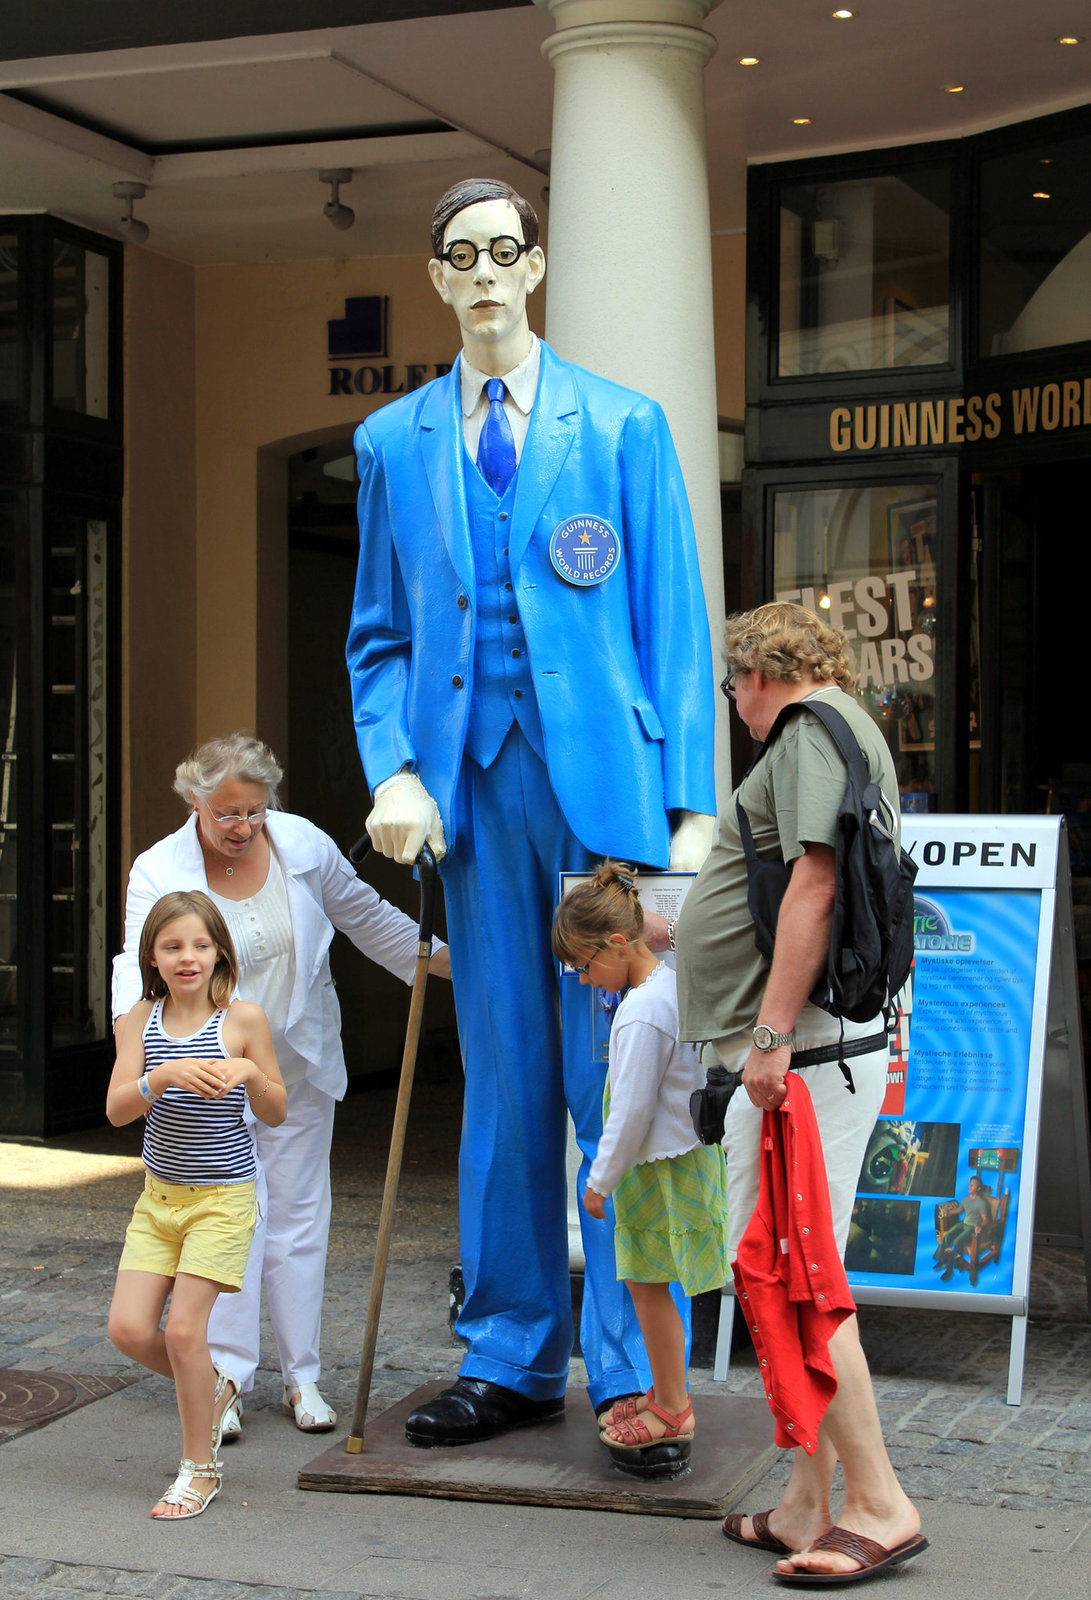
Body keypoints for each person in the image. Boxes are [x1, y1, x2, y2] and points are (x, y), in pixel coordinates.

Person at [347, 177, 716, 1445]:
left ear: (538, 262)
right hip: (473, 791)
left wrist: (687, 802)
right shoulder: (392, 442)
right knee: (503, 1075)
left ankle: (630, 1371)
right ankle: (509, 1351)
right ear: (440, 276)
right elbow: (380, 635)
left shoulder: (621, 427)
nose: (489, 271)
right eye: (465, 254)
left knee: (619, 1074)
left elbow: (671, 620)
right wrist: (394, 766)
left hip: (603, 795)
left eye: (508, 248)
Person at [668, 603, 926, 1584]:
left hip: (801, 1054)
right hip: (809, 1050)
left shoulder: (807, 733)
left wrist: (769, 1036)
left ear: (762, 669)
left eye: (734, 681)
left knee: (803, 1280)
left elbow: (814, 884)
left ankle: (876, 1501)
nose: (732, 699)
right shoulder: (837, 730)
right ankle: (805, 1501)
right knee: (781, 1273)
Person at [112, 734, 450, 1443]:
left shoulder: (300, 844)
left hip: (293, 1060)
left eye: (255, 812)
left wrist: (454, 966)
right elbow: (135, 960)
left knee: (298, 1222)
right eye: (227, 813)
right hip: (207, 1074)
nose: (242, 827)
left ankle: (302, 1375)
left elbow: (367, 918)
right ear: (194, 801)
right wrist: (132, 1045)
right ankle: (224, 1375)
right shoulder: (160, 867)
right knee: (228, 1227)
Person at [106, 891, 287, 1519]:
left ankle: (199, 1471)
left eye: (201, 945)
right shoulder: (138, 1021)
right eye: (173, 946)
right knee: (128, 1330)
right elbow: (117, 1110)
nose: (189, 958)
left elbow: (277, 1108)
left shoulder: (243, 1021)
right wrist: (161, 1079)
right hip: (157, 1201)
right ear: (152, 957)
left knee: (185, 1331)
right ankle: (215, 1387)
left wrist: (249, 1075)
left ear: (219, 953)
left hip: (223, 1201)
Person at [551, 863, 728, 1478]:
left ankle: (671, 1405)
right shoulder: (672, 989)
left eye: (583, 964)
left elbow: (627, 1112)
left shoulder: (639, 1014)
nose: (579, 977)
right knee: (654, 1284)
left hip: (655, 1169)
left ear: (620, 944)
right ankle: (666, 1396)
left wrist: (599, 1180)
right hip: (682, 1158)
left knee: (647, 1285)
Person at [934, 1175, 990, 1280]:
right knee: (947, 1235)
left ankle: (949, 1269)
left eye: (973, 1185)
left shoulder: (981, 1203)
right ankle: (942, 1261)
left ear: (978, 1189)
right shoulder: (965, 1199)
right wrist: (948, 1212)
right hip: (963, 1223)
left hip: (972, 1227)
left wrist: (980, 1226)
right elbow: (959, 1210)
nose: (970, 1186)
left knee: (958, 1241)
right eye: (970, 1184)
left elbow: (985, 1219)